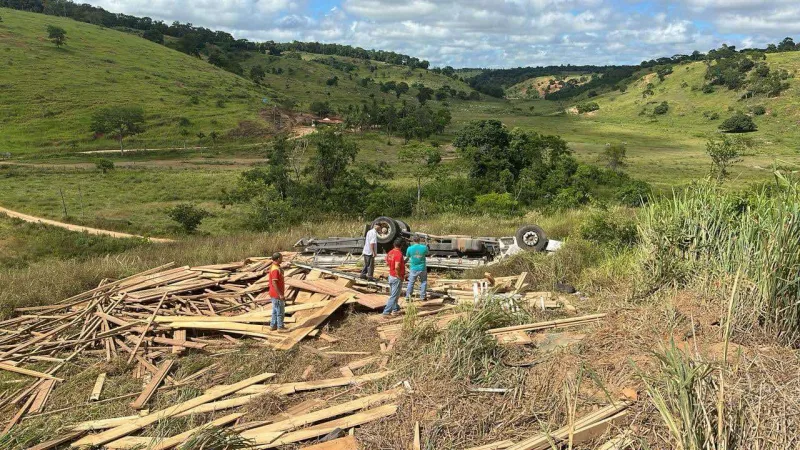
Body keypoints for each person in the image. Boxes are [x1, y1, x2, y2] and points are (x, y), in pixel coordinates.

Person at [382, 238, 405, 316]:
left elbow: (387, 262)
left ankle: (395, 308)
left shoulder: (390, 252)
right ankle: (386, 312)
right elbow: (397, 266)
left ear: (394, 245)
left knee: (394, 293)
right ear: (401, 246)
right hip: (396, 277)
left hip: (391, 276)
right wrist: (399, 275)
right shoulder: (398, 254)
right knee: (394, 296)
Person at [405, 235, 428, 302]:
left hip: (413, 268)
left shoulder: (409, 248)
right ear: (419, 240)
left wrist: (403, 262)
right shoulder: (424, 247)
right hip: (422, 267)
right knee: (423, 282)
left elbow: (407, 257)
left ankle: (408, 297)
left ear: (413, 240)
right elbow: (427, 253)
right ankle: (422, 297)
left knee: (411, 283)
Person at [268, 252, 286, 331]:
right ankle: (280, 327)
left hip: (273, 293)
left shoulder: (275, 266)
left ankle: (273, 325)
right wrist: (280, 294)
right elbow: (274, 282)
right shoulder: (275, 269)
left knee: (275, 310)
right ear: (278, 259)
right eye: (281, 258)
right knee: (280, 311)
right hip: (276, 294)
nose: (282, 259)